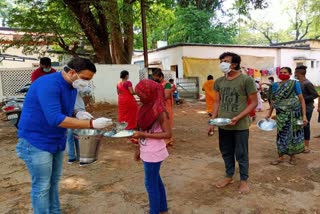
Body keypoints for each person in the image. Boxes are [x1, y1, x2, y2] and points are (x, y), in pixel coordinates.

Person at [16, 57, 113, 214]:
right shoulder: (48, 84)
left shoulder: (72, 87)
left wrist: (78, 112)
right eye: (85, 78)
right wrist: (91, 124)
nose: (87, 83)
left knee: (53, 183)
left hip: (56, 141)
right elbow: (55, 118)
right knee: (42, 186)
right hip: (36, 141)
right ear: (73, 72)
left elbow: (63, 109)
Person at [208, 52, 258, 194]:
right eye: (221, 61)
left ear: (234, 64)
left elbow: (254, 103)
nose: (222, 63)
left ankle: (243, 180)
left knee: (241, 153)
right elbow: (217, 102)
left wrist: (238, 117)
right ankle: (229, 176)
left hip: (240, 125)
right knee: (226, 151)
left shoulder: (246, 80)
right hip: (223, 123)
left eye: (225, 61)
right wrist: (212, 121)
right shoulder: (219, 81)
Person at [132, 79, 171, 214]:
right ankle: (163, 209)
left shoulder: (159, 110)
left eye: (141, 94)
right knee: (156, 181)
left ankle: (154, 211)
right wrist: (138, 148)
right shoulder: (145, 107)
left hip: (154, 152)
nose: (139, 97)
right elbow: (142, 129)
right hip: (146, 150)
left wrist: (143, 134)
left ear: (150, 94)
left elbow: (168, 134)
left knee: (150, 184)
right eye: (138, 94)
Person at [266, 67, 307, 166]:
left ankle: (292, 157)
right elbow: (273, 101)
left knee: (293, 134)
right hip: (281, 115)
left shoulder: (294, 83)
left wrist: (304, 115)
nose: (282, 73)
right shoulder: (275, 85)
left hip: (294, 113)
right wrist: (269, 113)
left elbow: (301, 99)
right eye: (281, 72)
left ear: (290, 73)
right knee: (281, 135)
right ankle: (280, 156)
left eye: (285, 72)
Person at [294, 65, 319, 153]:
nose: (294, 74)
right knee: (298, 125)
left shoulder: (307, 83)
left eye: (295, 72)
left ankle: (306, 146)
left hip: (307, 109)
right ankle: (299, 144)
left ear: (298, 73)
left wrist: (303, 100)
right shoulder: (297, 82)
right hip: (298, 108)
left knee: (305, 126)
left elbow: (315, 95)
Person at [152, 68, 173, 146]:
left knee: (166, 121)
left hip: (165, 106)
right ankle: (160, 138)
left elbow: (166, 96)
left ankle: (167, 139)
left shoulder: (167, 84)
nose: (154, 79)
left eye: (156, 78)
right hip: (157, 106)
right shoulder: (155, 84)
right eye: (153, 78)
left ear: (161, 77)